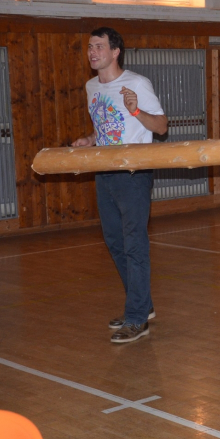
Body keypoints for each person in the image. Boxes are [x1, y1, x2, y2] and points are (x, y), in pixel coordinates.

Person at [72, 27, 168, 343]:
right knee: (115, 242)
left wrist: (136, 110)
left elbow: (161, 126)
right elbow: (106, 127)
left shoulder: (137, 84)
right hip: (105, 173)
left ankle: (137, 318)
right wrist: (90, 139)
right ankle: (142, 305)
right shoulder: (91, 87)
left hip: (133, 175)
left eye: (99, 46)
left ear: (116, 52)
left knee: (134, 245)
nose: (92, 52)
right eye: (90, 46)